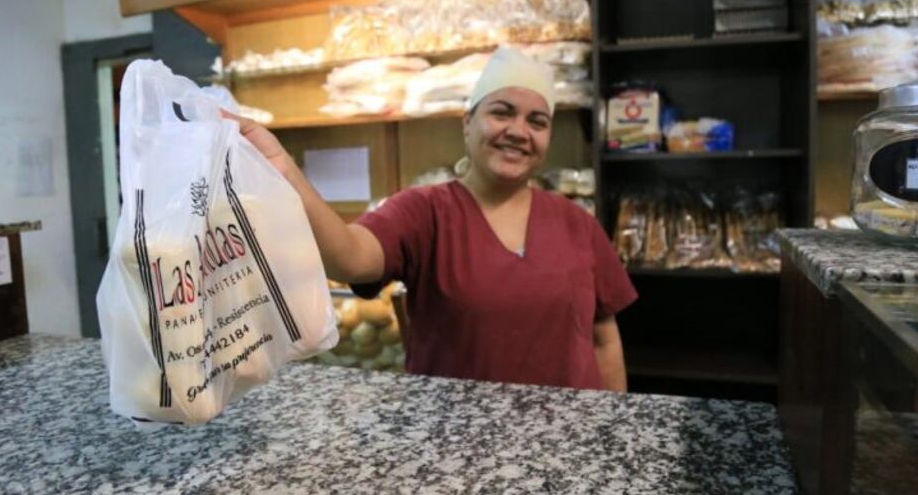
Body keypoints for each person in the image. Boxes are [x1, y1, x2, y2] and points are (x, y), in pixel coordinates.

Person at [229, 47, 637, 391]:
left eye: (537, 121)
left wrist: (613, 426)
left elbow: (604, 337)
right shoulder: (424, 212)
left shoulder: (576, 222)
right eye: (502, 112)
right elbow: (351, 256)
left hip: (566, 442)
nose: (519, 130)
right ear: (467, 123)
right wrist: (284, 172)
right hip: (457, 445)